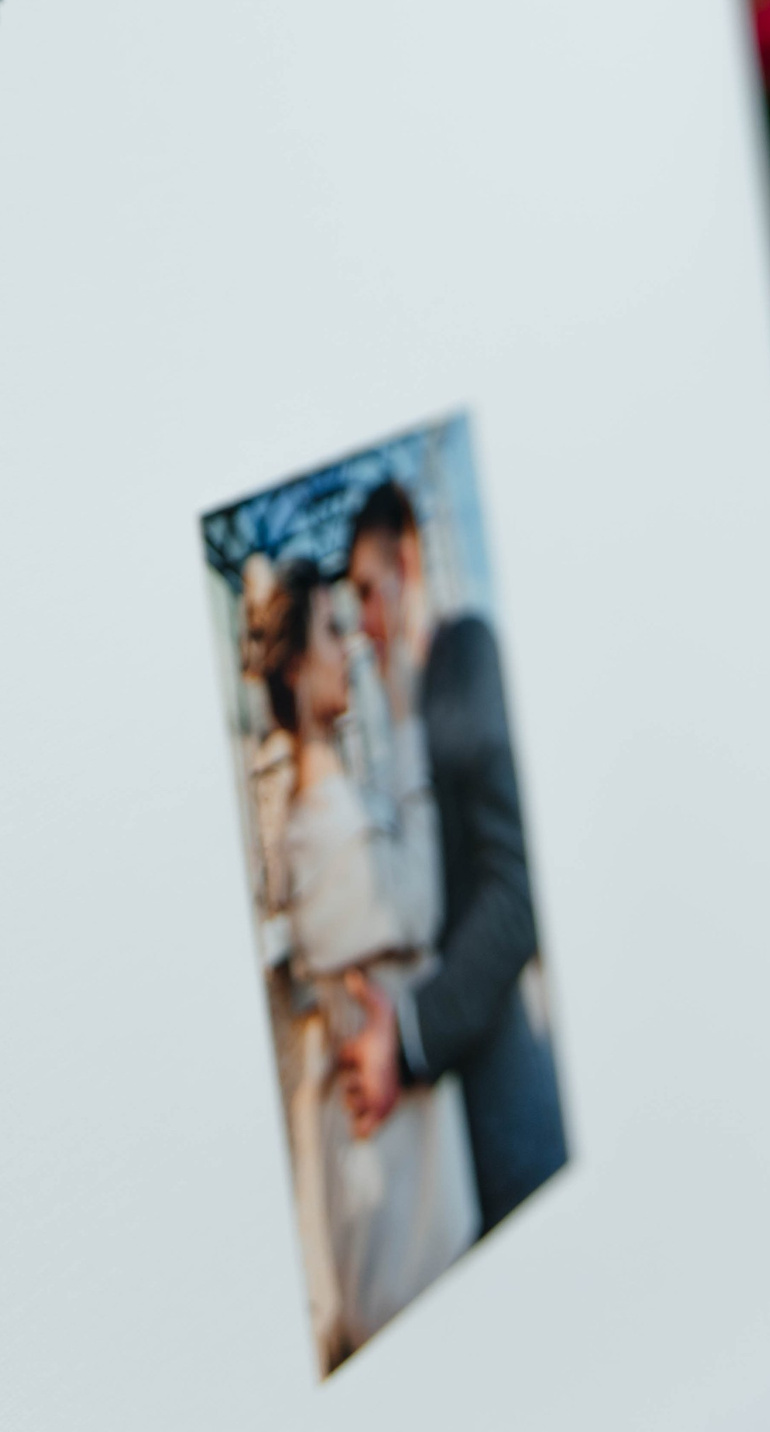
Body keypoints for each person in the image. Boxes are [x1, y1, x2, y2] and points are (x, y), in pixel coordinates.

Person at [247, 563, 477, 1366]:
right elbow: (419, 903)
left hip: (413, 1185)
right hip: (393, 1220)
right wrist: (405, 713)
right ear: (292, 669)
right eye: (330, 631)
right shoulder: (317, 836)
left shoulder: (338, 809)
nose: (347, 645)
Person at [338, 482, 568, 1234]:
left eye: (367, 592)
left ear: (406, 563)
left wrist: (407, 1036)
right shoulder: (405, 703)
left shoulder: (465, 655)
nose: (362, 623)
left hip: (506, 1106)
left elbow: (515, 892)